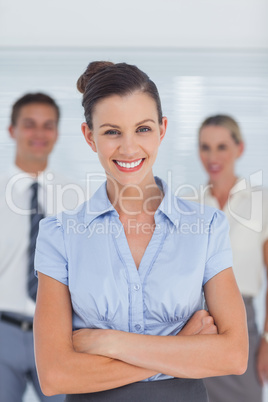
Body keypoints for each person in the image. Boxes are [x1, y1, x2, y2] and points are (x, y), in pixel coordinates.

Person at [33, 62, 248, 402]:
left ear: (162, 129)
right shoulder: (59, 235)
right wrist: (182, 348)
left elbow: (233, 356)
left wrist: (110, 342)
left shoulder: (206, 227)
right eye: (112, 132)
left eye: (143, 129)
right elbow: (55, 376)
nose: (130, 148)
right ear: (90, 137)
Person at [0, 92, 72, 402]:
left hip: (58, 334)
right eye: (29, 124)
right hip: (3, 331)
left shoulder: (76, 199)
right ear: (12, 130)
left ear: (57, 132)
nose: (39, 134)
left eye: (48, 125)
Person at [197, 114, 268, 402]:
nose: (212, 157)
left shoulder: (261, 202)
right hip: (195, 324)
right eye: (205, 147)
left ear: (239, 148)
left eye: (222, 147)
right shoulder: (188, 203)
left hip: (242, 324)